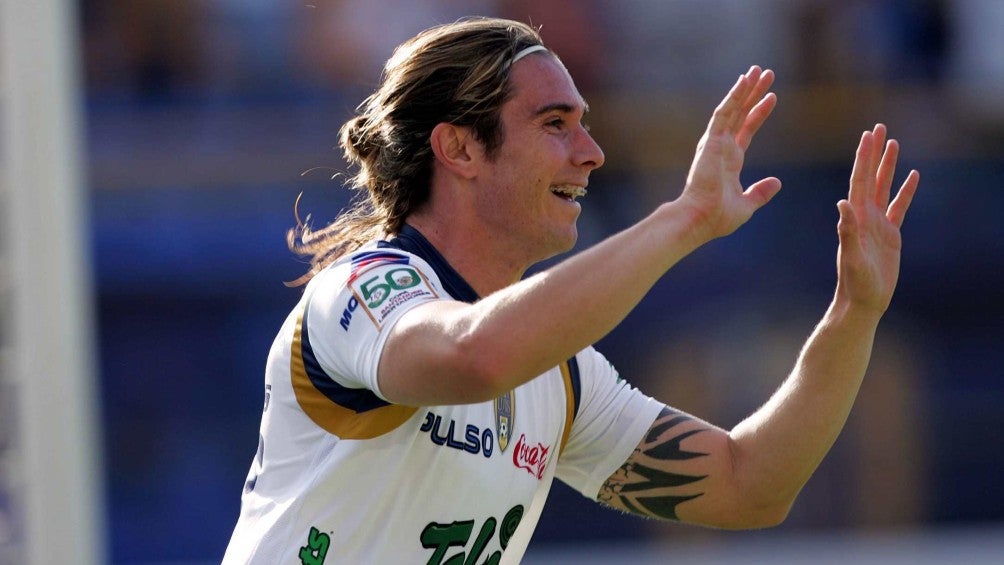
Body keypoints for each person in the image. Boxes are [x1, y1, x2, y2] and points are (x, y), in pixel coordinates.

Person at [223, 17, 920, 564]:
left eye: (583, 123)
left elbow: (750, 483)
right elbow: (476, 357)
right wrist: (685, 219)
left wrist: (853, 313)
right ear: (459, 149)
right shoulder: (362, 290)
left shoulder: (561, 375)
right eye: (555, 123)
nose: (591, 152)